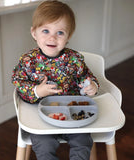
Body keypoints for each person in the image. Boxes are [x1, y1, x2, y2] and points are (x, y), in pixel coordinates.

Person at [12, 0, 99, 159]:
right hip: (41, 114)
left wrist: (92, 85)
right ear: (34, 33)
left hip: (72, 114)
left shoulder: (74, 59)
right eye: (45, 30)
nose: (52, 37)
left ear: (68, 36)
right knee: (44, 146)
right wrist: (37, 91)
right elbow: (18, 82)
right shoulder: (28, 60)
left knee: (83, 142)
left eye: (60, 32)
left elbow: (86, 75)